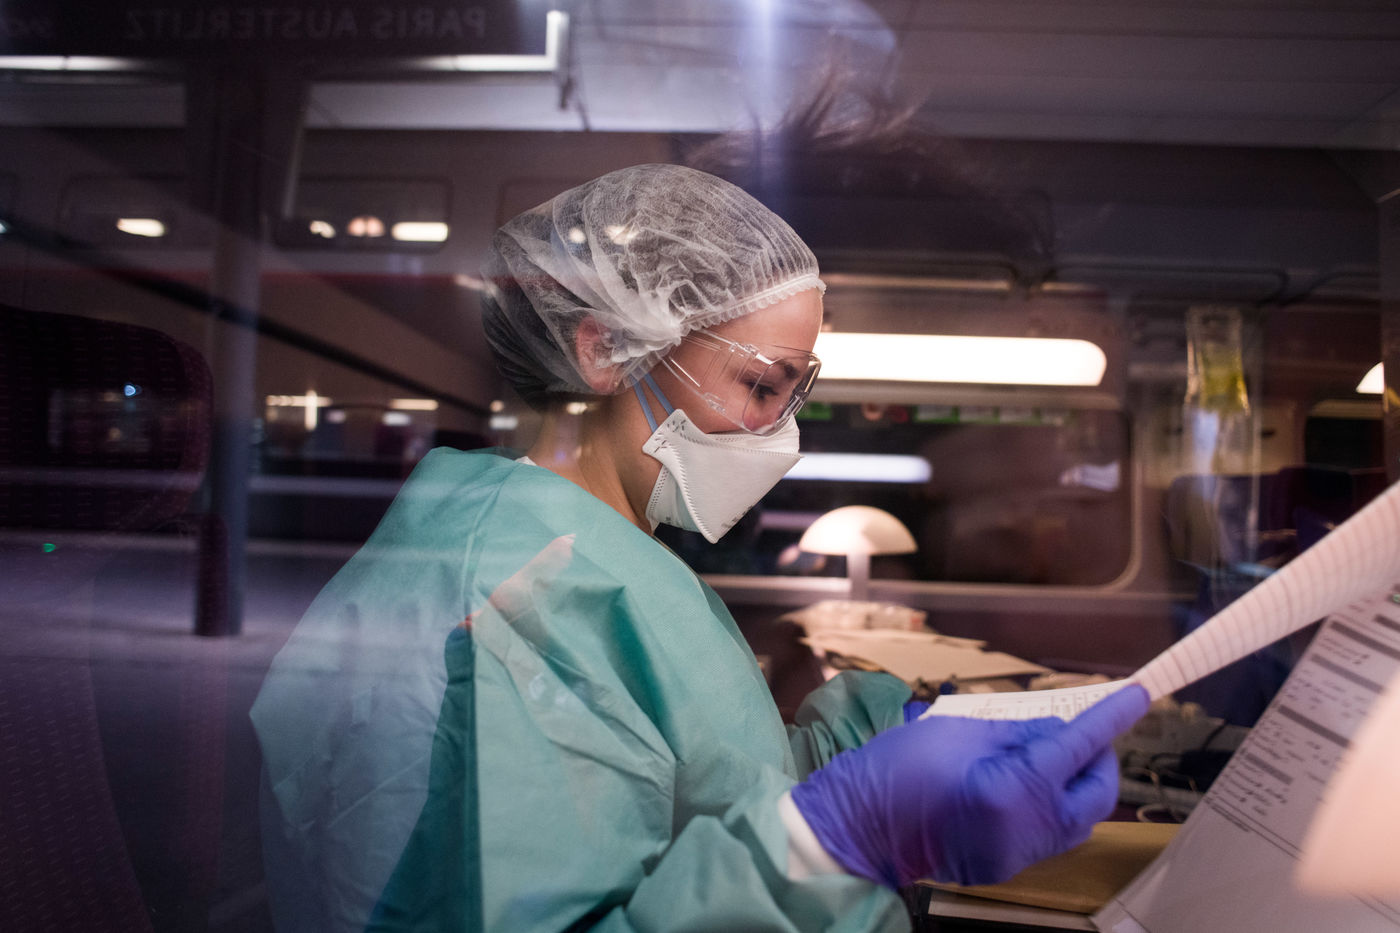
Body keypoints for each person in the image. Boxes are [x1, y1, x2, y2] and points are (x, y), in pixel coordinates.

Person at [250, 163, 1149, 932]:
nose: (779, 434)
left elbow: (696, 788)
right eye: (759, 385)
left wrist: (872, 746)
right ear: (607, 351)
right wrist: (839, 837)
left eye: (795, 394)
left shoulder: (598, 552)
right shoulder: (516, 597)